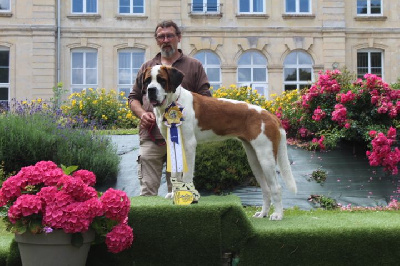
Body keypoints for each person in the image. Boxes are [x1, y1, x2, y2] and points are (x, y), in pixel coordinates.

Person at [128, 20, 211, 196]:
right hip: (152, 137)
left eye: (169, 35)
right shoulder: (147, 67)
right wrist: (142, 114)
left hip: (181, 139)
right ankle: (147, 224)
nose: (165, 40)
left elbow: (206, 100)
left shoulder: (193, 66)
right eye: (161, 36)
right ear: (157, 40)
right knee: (147, 191)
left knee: (178, 191)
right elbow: (133, 98)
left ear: (178, 38)